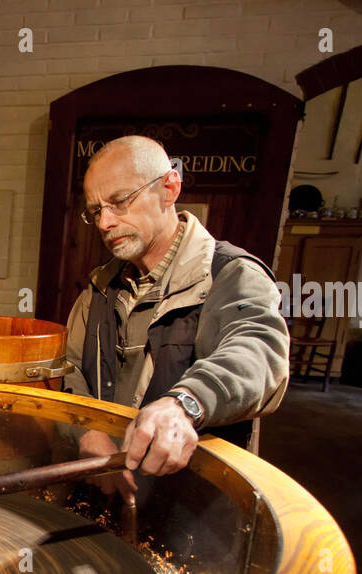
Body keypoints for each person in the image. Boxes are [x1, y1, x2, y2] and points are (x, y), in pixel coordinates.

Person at [64, 136, 290, 498]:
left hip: (193, 512)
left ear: (169, 188)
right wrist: (87, 432)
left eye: (120, 201)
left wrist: (185, 403)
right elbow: (69, 367)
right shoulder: (101, 287)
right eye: (95, 210)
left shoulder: (231, 275)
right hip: (106, 496)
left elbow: (260, 354)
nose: (105, 222)